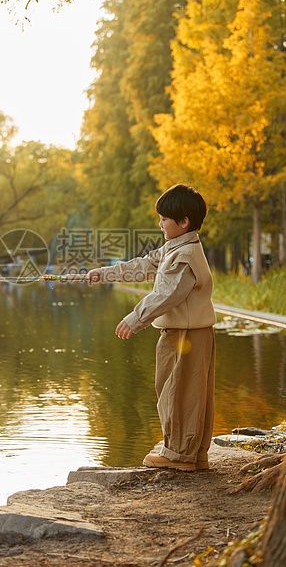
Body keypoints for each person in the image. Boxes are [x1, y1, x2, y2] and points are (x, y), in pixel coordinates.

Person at [86, 184, 216, 472]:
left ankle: (180, 454)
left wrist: (136, 318)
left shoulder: (185, 256)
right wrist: (105, 273)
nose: (160, 224)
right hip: (186, 332)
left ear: (183, 222)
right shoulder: (176, 247)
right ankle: (192, 454)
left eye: (164, 219)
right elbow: (145, 265)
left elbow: (168, 294)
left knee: (178, 392)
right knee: (184, 390)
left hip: (186, 334)